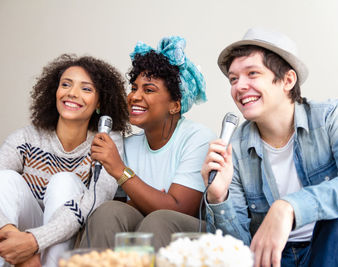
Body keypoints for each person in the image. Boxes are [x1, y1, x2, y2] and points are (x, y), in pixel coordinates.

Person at [201, 28, 338, 267]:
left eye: (252, 73)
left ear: (288, 80)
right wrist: (218, 198)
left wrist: (289, 207)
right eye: (233, 79)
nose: (239, 87)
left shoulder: (331, 117)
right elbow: (239, 253)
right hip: (274, 258)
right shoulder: (233, 148)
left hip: (331, 250)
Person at [79, 36, 216, 251]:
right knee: (108, 212)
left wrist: (121, 171)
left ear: (174, 105)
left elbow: (180, 209)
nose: (135, 96)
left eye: (148, 90)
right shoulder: (129, 145)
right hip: (148, 225)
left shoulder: (197, 138)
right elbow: (129, 204)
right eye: (134, 88)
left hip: (192, 237)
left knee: (159, 220)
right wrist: (151, 198)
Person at [0, 54, 129, 267]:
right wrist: (17, 240)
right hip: (23, 240)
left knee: (64, 181)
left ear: (100, 102)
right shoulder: (25, 138)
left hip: (72, 242)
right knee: (4, 179)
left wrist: (35, 241)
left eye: (86, 89)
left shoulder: (106, 141)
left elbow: (98, 199)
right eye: (66, 85)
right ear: (55, 92)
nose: (72, 93)